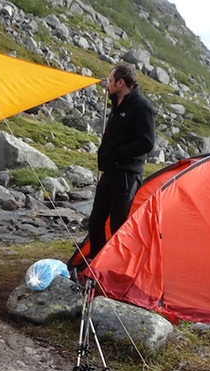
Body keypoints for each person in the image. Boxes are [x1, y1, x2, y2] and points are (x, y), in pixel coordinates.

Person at [87, 63, 155, 258]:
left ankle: (117, 266)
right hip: (110, 172)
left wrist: (118, 153)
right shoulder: (117, 103)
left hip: (126, 174)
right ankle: (96, 264)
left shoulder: (141, 106)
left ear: (121, 82)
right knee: (96, 221)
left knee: (118, 223)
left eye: (110, 81)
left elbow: (147, 142)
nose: (107, 85)